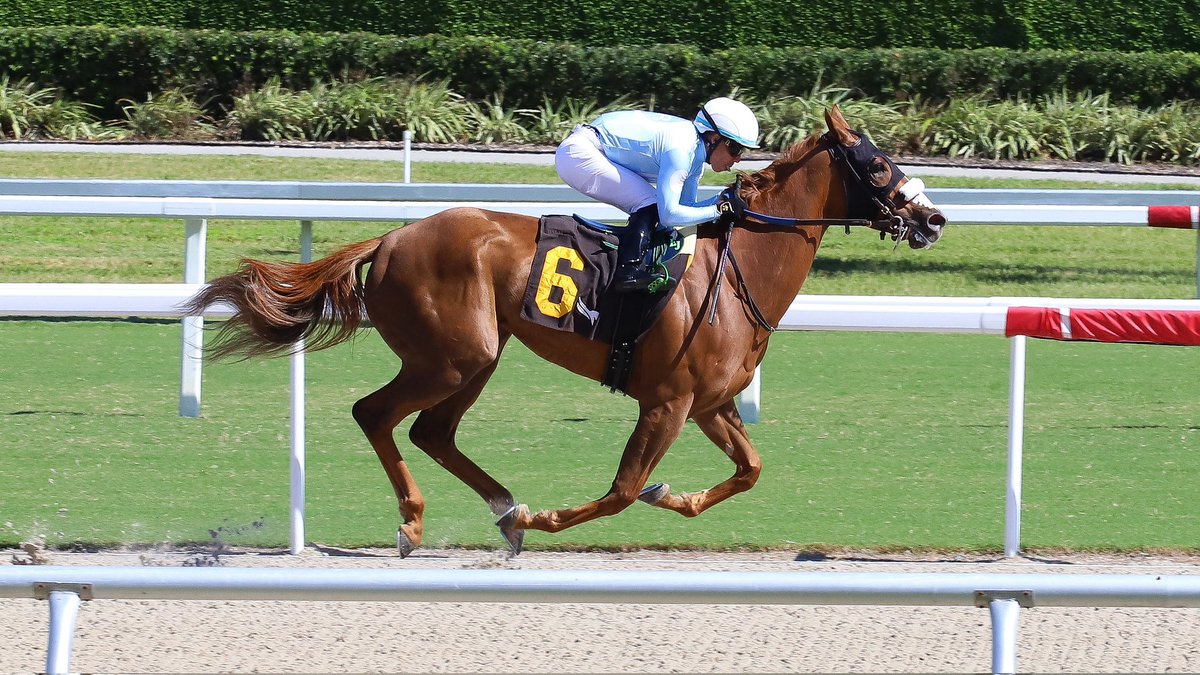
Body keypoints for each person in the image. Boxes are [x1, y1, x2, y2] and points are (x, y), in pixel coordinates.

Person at [554, 96, 760, 292]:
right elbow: (669, 214)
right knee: (651, 204)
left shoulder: (694, 158)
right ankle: (628, 271)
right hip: (579, 154)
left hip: (589, 148)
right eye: (735, 149)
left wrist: (721, 201)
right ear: (714, 138)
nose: (739, 159)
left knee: (653, 205)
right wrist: (719, 209)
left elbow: (684, 209)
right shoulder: (682, 150)